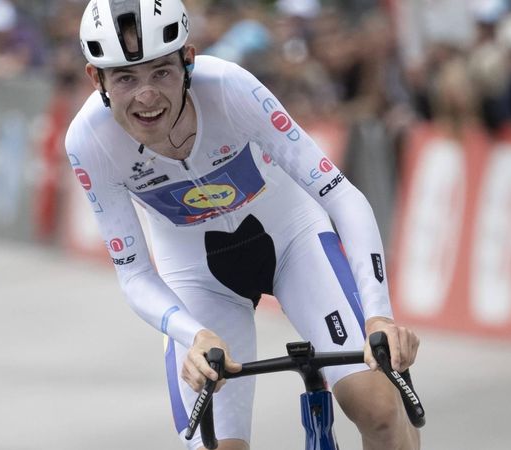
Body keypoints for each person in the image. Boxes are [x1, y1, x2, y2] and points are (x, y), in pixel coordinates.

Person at [64, 1, 420, 449]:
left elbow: (340, 194)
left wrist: (379, 316)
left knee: (379, 410)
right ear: (96, 79)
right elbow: (134, 273)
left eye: (161, 72)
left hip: (293, 241)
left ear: (188, 60)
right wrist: (192, 336)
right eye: (125, 78)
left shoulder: (229, 87)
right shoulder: (89, 141)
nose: (146, 95)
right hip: (199, 279)